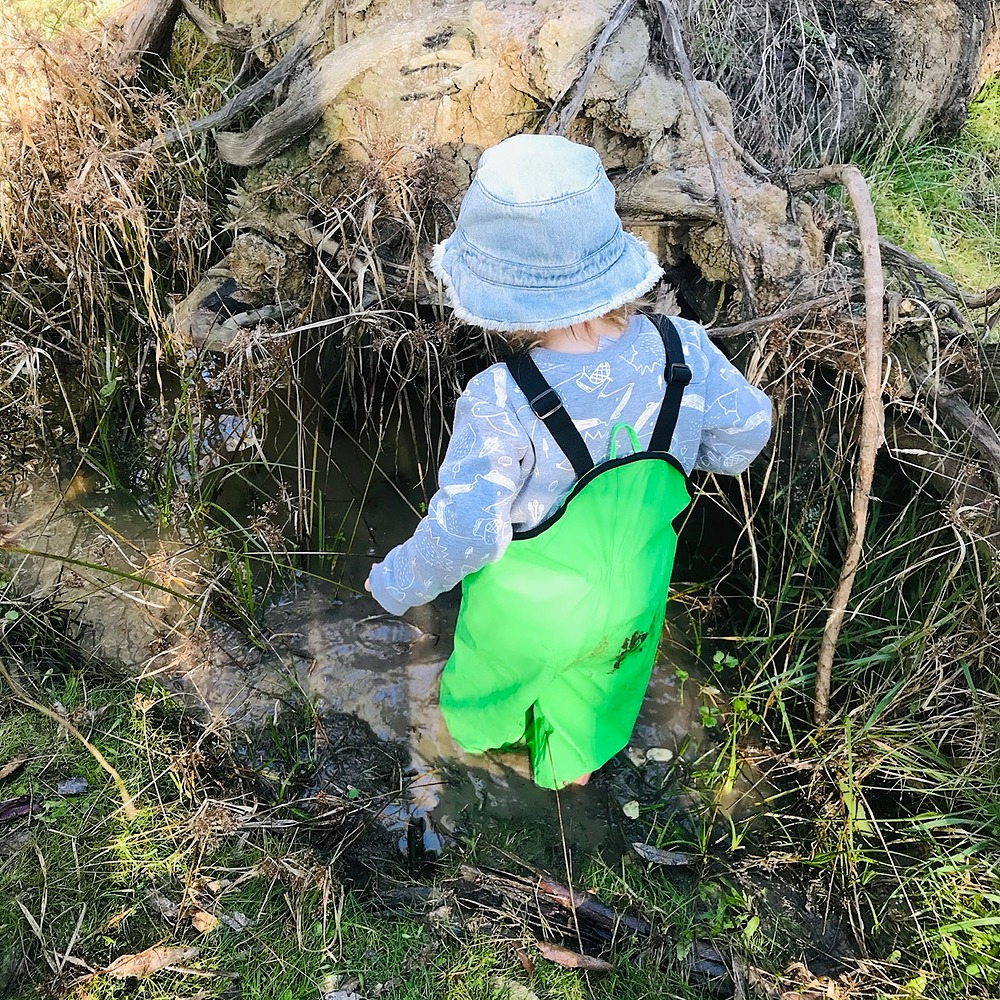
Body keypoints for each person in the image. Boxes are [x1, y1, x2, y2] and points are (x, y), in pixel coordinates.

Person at [365, 133, 771, 789]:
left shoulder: (501, 399)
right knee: (587, 722)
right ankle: (564, 778)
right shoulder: (684, 351)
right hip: (630, 599)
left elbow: (466, 534)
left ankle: (486, 761)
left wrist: (400, 581)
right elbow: (745, 437)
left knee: (476, 706)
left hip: (522, 619)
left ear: (501, 295)